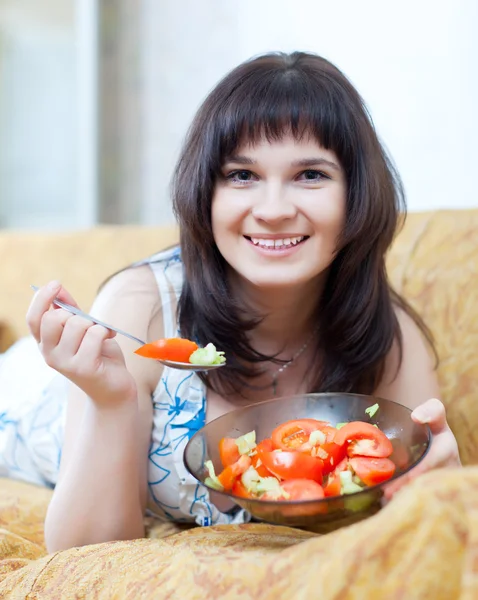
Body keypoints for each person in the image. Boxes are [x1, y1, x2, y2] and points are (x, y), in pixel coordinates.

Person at [0, 51, 460, 553]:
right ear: (206, 191)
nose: (274, 210)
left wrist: (445, 488)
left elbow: (425, 522)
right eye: (242, 175)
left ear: (357, 195)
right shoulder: (140, 306)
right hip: (24, 400)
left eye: (311, 174)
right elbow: (82, 555)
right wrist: (109, 401)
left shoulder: (390, 336)